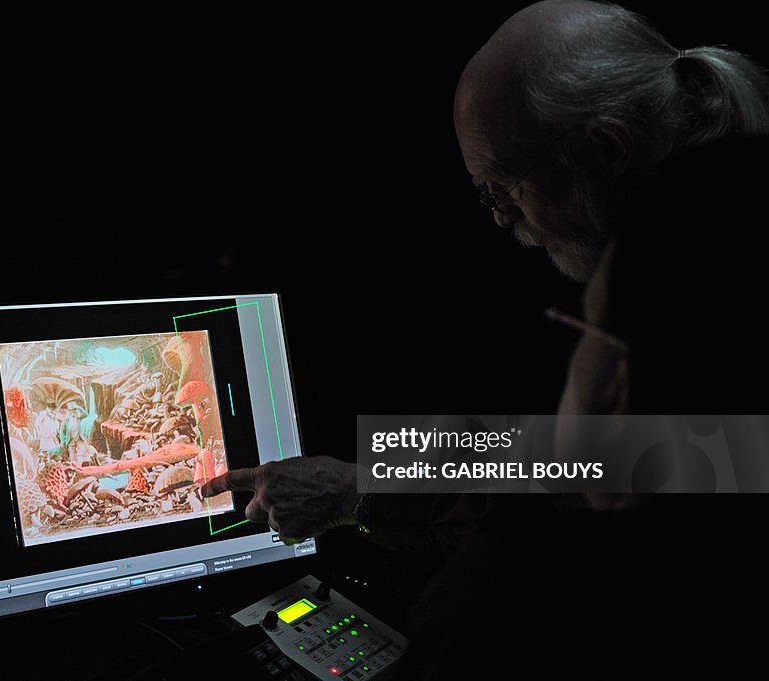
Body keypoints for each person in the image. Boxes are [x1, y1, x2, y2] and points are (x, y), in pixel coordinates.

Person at [202, 0, 769, 674]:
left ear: (605, 149)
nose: (502, 219)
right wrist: (367, 477)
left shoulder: (710, 270)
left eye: (505, 187)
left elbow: (632, 460)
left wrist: (363, 489)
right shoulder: (698, 216)